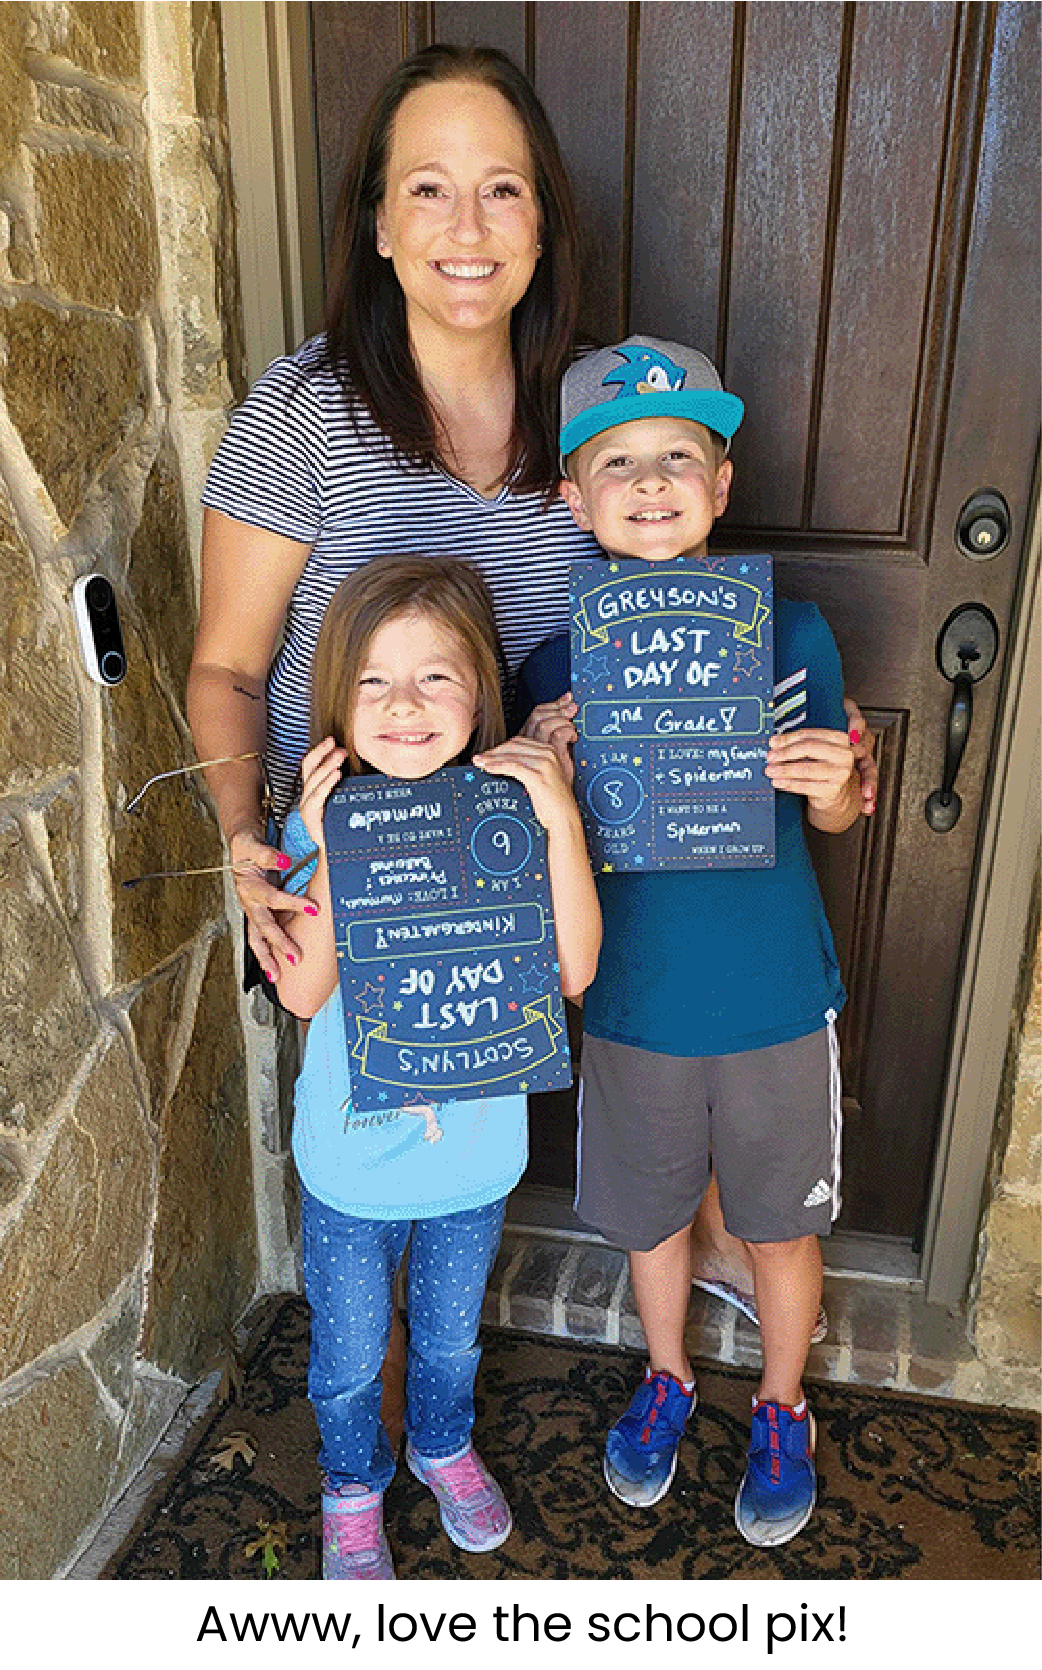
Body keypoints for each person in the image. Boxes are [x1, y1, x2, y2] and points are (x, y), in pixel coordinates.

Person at [187, 45, 872, 1400]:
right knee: (376, 1185)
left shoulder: (588, 417)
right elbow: (223, 664)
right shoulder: (303, 412)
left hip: (544, 866)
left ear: (542, 221)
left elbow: (669, 633)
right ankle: (373, 1445)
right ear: (377, 225)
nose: (464, 226)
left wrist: (811, 750)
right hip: (370, 876)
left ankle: (680, 1267)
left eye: (501, 189)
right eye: (426, 188)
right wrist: (241, 838)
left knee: (491, 1160)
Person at [526, 334, 863, 1547]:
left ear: (721, 484)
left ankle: (781, 1402)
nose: (652, 478)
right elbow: (539, 845)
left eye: (680, 454)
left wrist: (834, 781)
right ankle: (665, 1372)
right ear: (574, 497)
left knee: (781, 1222)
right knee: (652, 1216)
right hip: (630, 998)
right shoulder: (556, 662)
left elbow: (833, 806)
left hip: (774, 994)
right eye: (619, 460)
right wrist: (545, 764)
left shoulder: (795, 632)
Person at [272, 554, 601, 1579]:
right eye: (372, 678)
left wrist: (560, 821)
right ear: (338, 695)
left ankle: (442, 1441)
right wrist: (322, 845)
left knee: (452, 1337)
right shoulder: (320, 817)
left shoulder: (509, 810)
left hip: (471, 1158)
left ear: (481, 691)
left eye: (435, 676)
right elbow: (299, 989)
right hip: (353, 1162)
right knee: (348, 1347)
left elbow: (577, 968)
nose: (403, 703)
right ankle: (351, 1481)